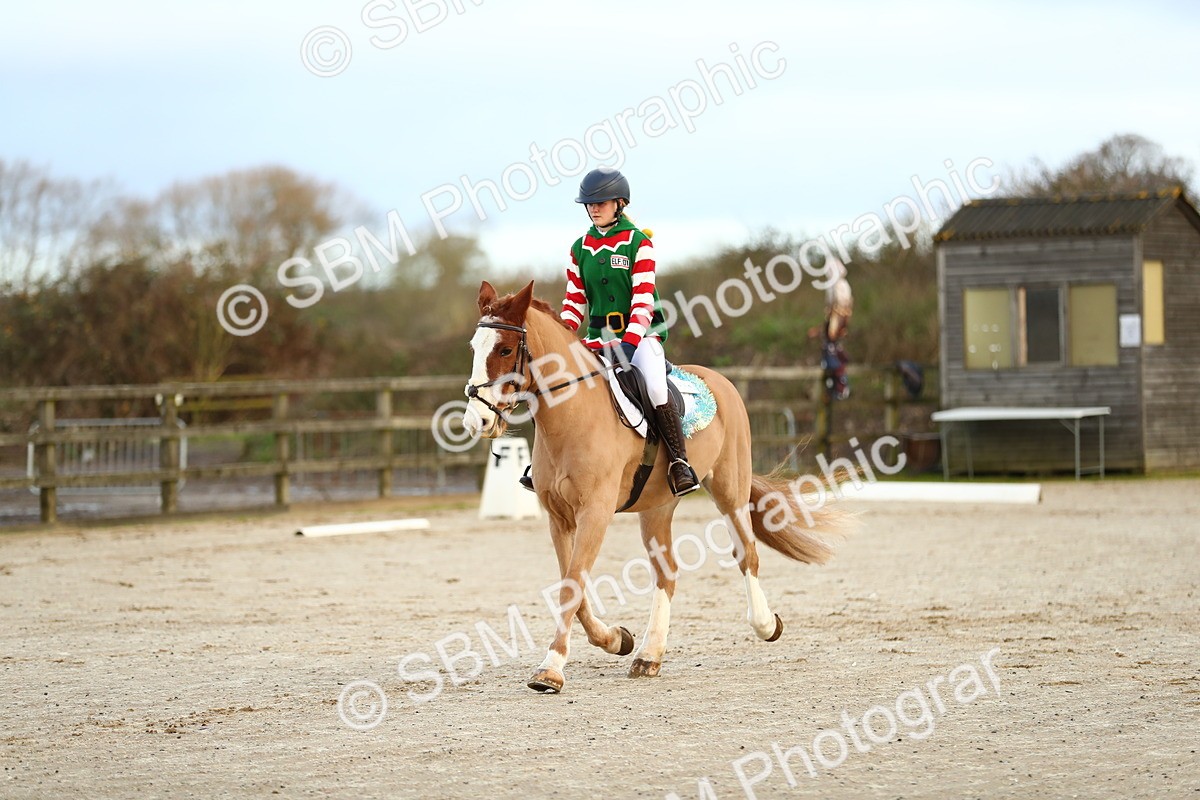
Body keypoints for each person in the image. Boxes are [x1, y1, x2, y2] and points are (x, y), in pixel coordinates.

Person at [519, 166, 699, 497]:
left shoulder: (639, 243)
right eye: (589, 204)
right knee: (550, 383)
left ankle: (679, 462)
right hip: (596, 340)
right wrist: (563, 335)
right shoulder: (580, 248)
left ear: (619, 203)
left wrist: (630, 342)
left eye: (600, 202)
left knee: (655, 387)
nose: (594, 208)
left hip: (640, 337)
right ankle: (540, 465)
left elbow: (643, 300)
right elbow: (574, 302)